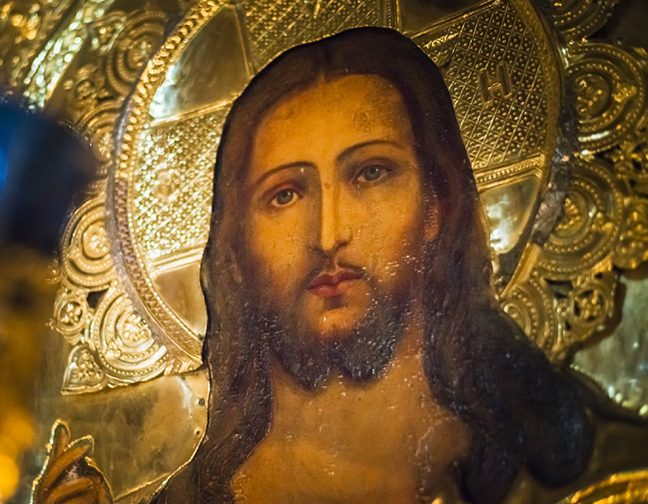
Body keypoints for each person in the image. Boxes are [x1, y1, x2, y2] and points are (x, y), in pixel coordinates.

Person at [36, 27, 647, 504]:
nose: (328, 235)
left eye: (371, 173)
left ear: (436, 206)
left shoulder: (596, 476)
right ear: (235, 251)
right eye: (285, 194)